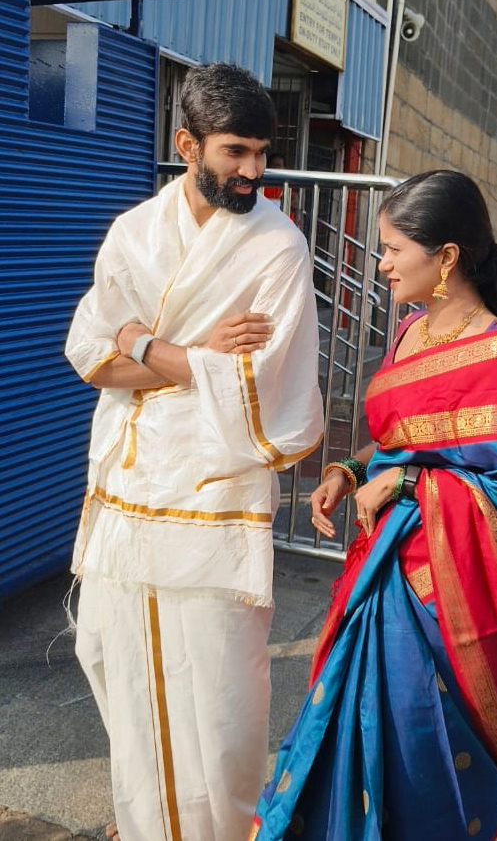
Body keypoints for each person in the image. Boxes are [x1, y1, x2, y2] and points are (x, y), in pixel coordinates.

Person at [248, 170, 497, 841]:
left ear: (446, 258)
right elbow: (398, 440)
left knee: (419, 747)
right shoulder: (412, 332)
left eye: (392, 250)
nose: (379, 265)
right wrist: (349, 470)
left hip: (443, 591)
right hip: (381, 564)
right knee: (344, 729)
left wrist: (408, 485)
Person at [65, 63, 324, 841]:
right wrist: (195, 357)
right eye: (235, 152)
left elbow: (261, 389)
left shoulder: (277, 248)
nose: (253, 171)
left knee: (220, 695)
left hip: (215, 494)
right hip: (129, 483)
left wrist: (145, 342)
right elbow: (89, 356)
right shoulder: (135, 234)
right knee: (117, 661)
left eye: (262, 154)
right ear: (188, 144)